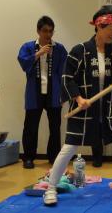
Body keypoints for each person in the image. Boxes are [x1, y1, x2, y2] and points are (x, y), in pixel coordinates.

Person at [43, 6, 112, 206]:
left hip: (109, 106)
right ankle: (51, 188)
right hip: (84, 107)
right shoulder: (79, 50)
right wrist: (78, 98)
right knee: (70, 147)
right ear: (98, 26)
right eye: (110, 29)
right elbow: (67, 76)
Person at [17, 16, 67, 169]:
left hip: (54, 93)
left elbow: (65, 72)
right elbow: (23, 63)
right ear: (38, 31)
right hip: (34, 92)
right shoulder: (28, 47)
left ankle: (54, 157)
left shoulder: (59, 48)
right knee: (30, 126)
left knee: (55, 126)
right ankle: (29, 158)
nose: (48, 34)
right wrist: (38, 54)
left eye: (51, 31)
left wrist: (64, 94)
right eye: (45, 31)